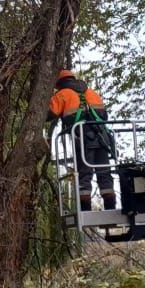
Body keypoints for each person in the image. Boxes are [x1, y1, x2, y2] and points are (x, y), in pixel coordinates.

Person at [47, 69, 116, 210]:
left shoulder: (62, 94)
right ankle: (111, 208)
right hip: (102, 138)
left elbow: (48, 114)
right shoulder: (92, 93)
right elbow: (104, 115)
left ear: (59, 83)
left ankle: (85, 209)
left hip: (83, 139)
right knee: (104, 172)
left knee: (84, 174)